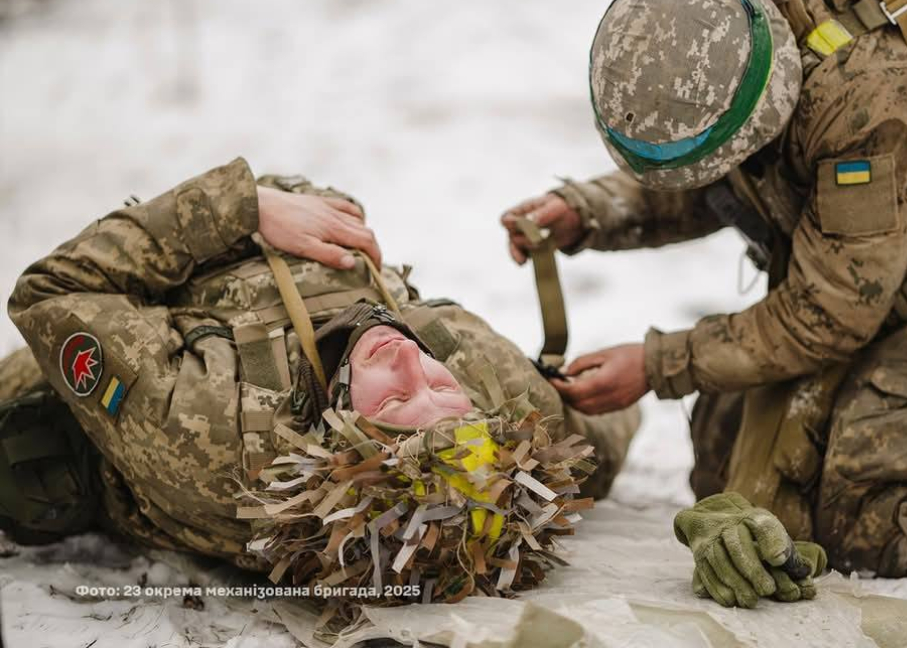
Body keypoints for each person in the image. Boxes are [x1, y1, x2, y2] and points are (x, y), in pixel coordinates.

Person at [500, 0, 907, 605]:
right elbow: (722, 170)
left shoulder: (866, 95)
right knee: (730, 464)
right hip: (894, 268)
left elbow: (828, 312)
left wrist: (658, 363)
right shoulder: (736, 31)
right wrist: (589, 211)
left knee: (860, 515)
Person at [0, 158, 640, 573]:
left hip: (143, 366)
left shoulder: (208, 429)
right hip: (296, 258)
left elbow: (51, 293)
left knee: (24, 458)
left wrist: (240, 208)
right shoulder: (502, 403)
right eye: (440, 385)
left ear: (341, 439)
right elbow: (590, 442)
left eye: (393, 403)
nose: (410, 359)